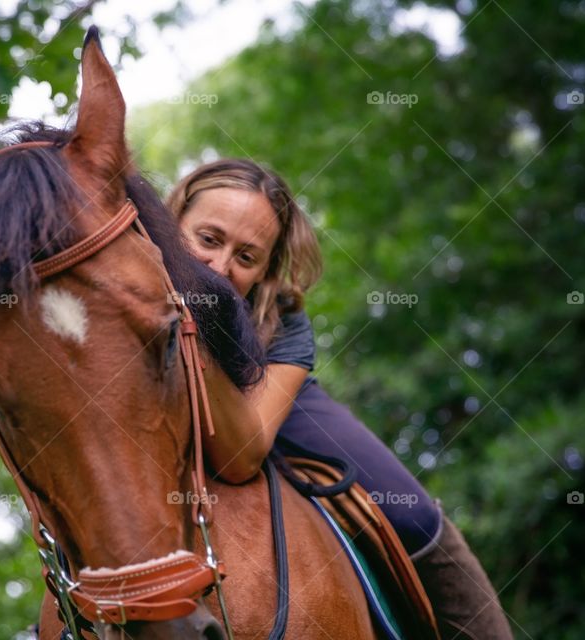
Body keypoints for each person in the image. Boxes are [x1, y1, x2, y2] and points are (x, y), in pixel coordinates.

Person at [167, 158, 513, 640]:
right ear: (172, 221)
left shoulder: (282, 319)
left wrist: (195, 335)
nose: (220, 267)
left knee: (410, 513)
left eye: (246, 257)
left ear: (265, 270)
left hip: (273, 408)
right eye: (208, 239)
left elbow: (243, 458)